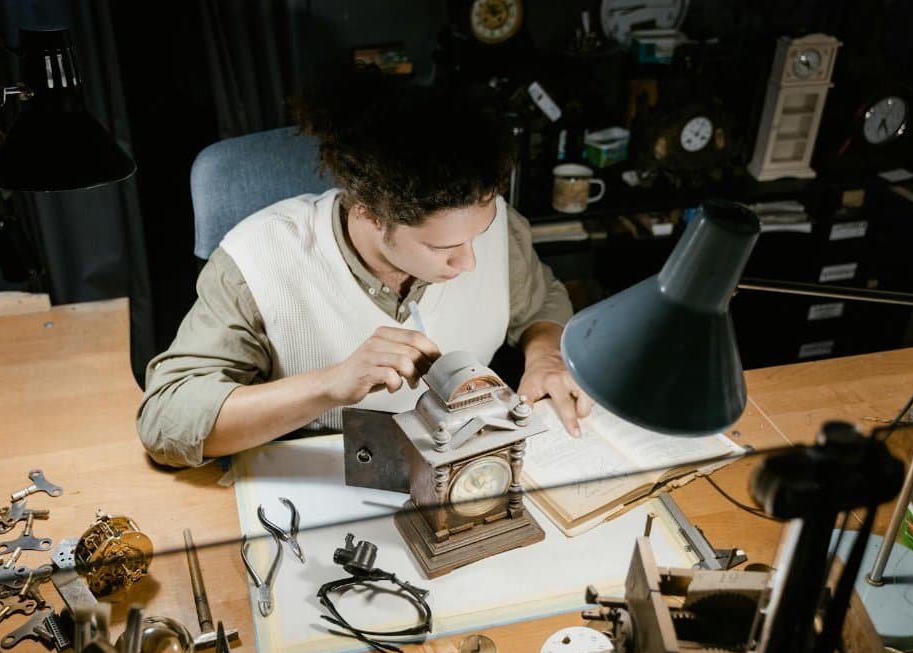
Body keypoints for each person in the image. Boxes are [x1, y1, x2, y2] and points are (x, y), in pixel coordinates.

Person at [138, 68, 592, 468]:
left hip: (464, 462)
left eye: (478, 234)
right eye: (442, 247)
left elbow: (541, 301)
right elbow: (166, 420)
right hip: (322, 485)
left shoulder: (494, 227)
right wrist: (330, 386)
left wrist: (547, 355)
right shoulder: (256, 260)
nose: (469, 260)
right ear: (370, 215)